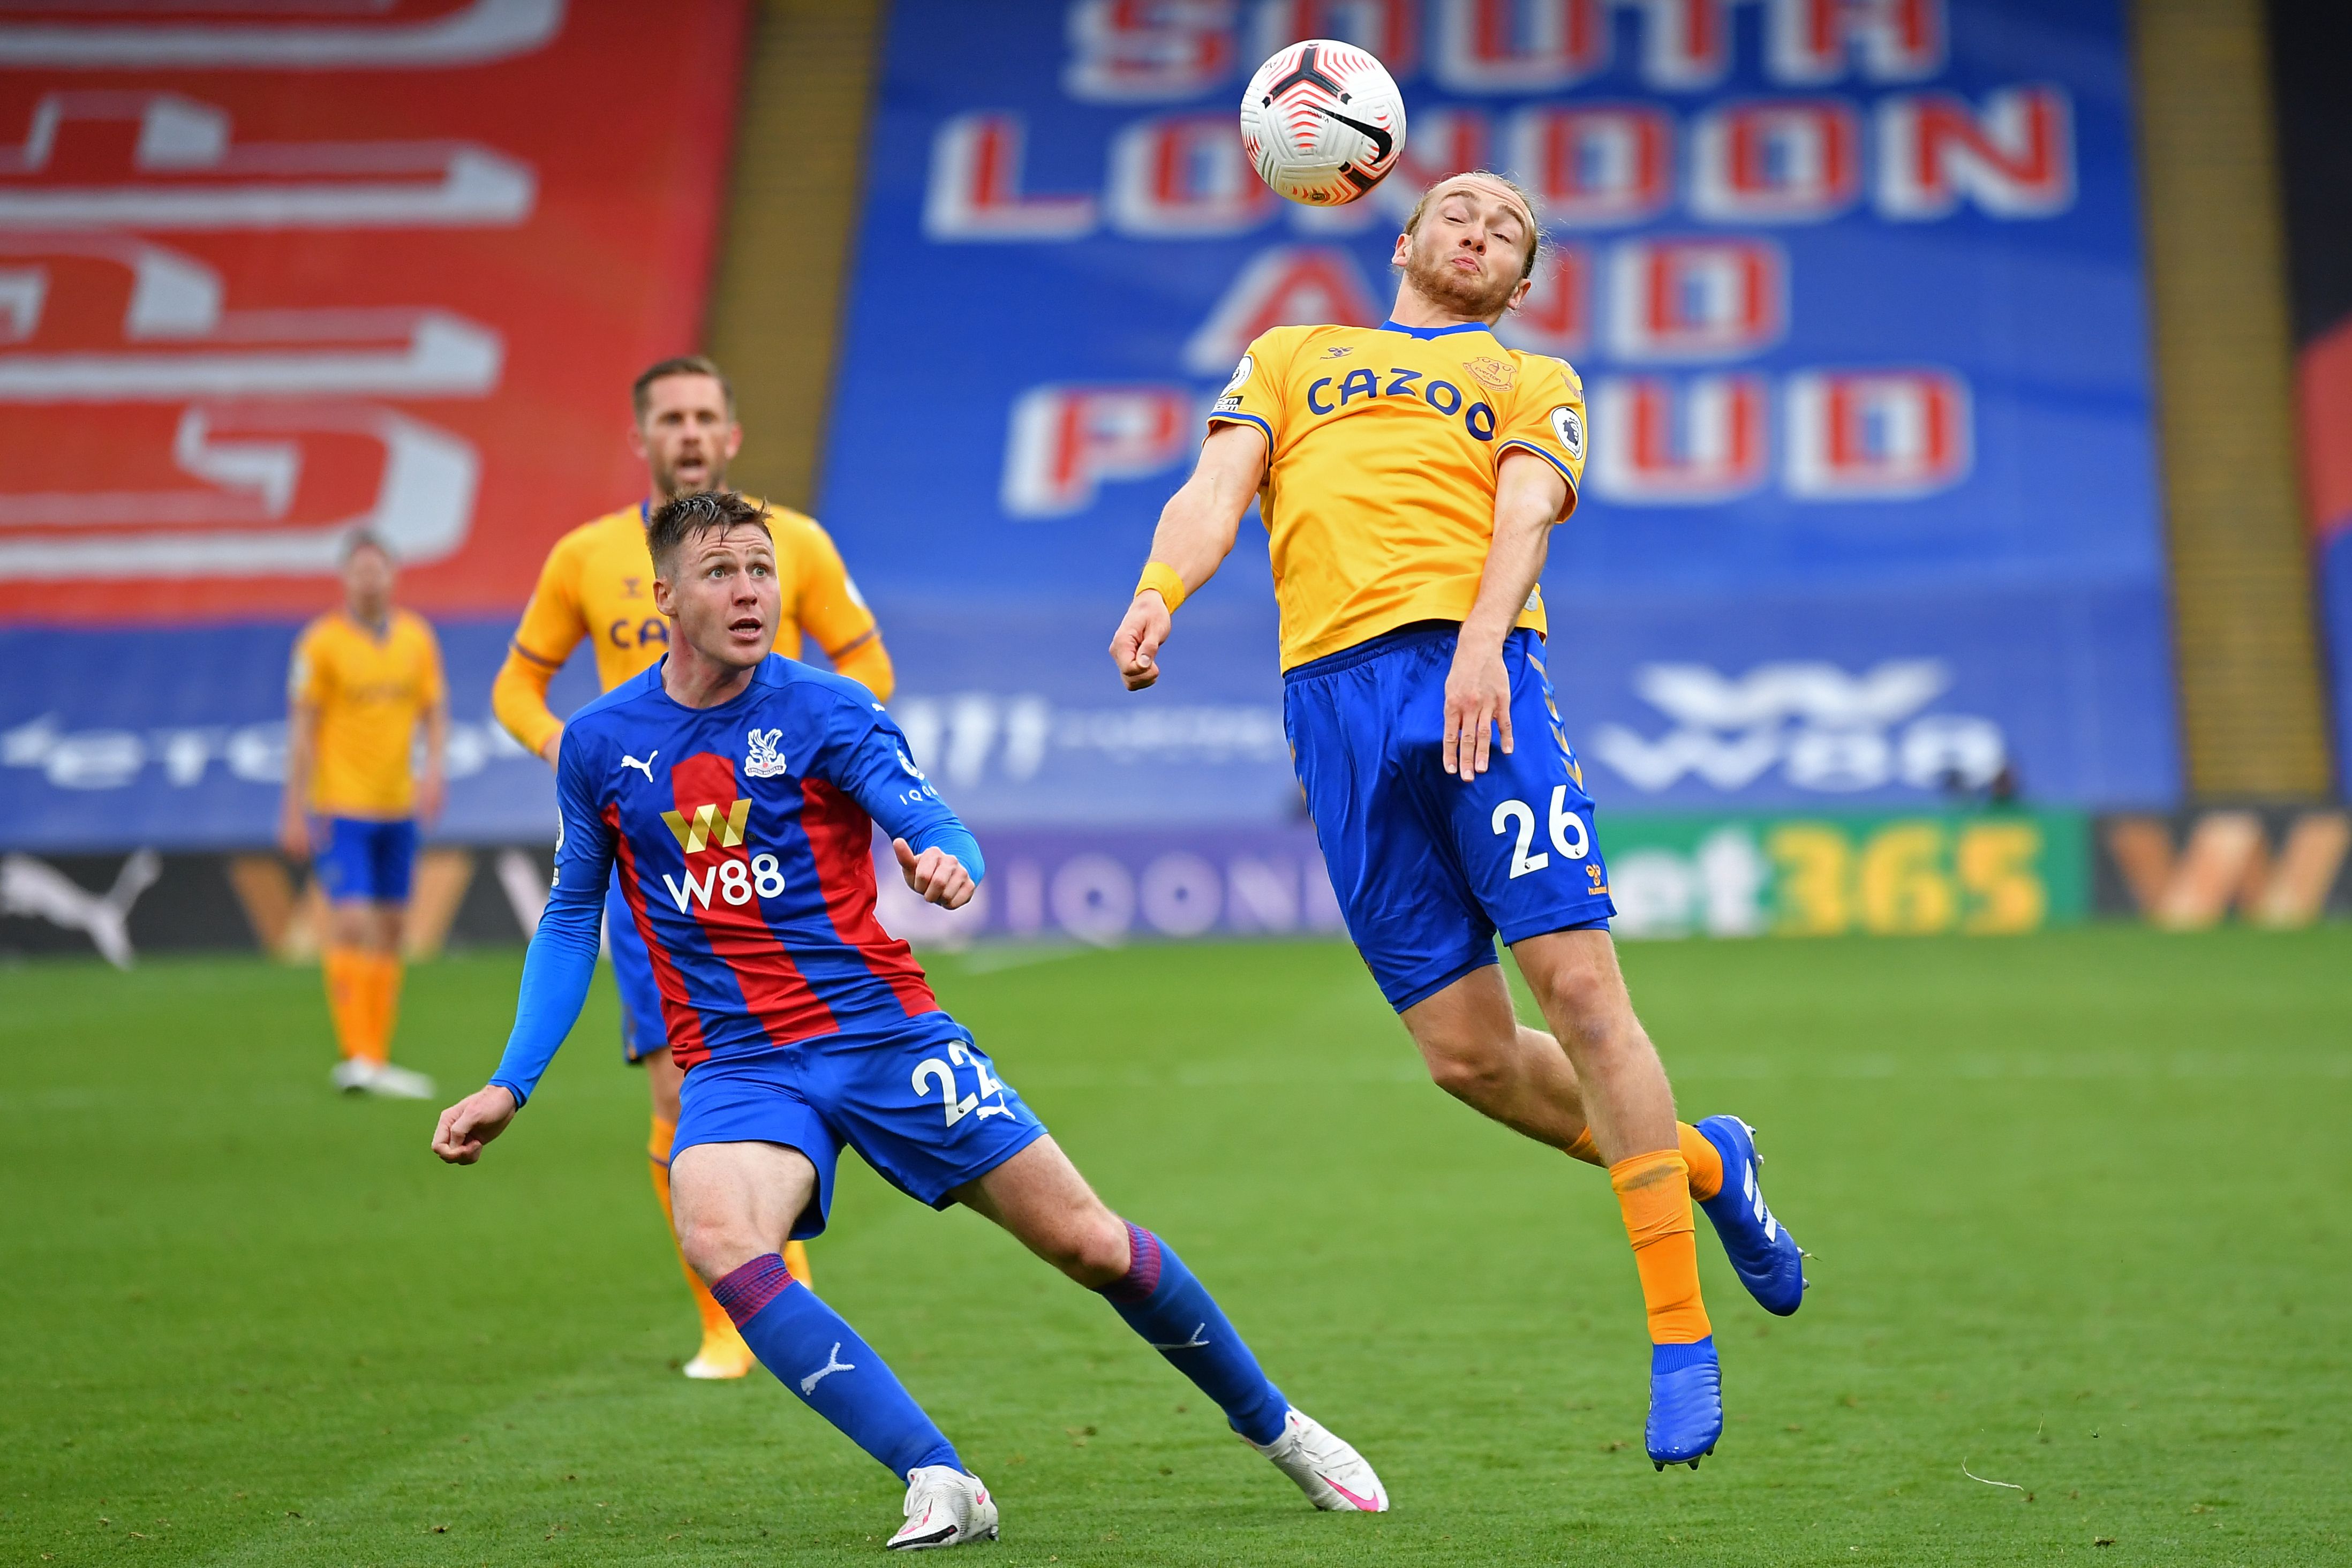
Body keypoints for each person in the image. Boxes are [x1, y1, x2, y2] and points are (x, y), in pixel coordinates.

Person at [436, 492, 1386, 1547]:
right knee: (715, 1234)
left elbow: (932, 821)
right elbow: (572, 918)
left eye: (761, 568)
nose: (750, 589)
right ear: (663, 597)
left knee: (1089, 1244)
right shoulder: (602, 744)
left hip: (883, 1036)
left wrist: (948, 865)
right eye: (720, 572)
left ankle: (1279, 1427)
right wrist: (509, 1082)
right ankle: (938, 1474)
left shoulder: (826, 710)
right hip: (741, 1063)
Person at [1107, 172, 1808, 1470]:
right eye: (1458, 211)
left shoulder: (1532, 378)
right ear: (1404, 237)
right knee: (1468, 1059)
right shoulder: (1292, 353)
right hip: (1330, 707)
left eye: (1508, 229)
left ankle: (1677, 1333)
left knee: (1585, 997)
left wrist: (1484, 641)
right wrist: (1163, 588)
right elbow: (1215, 485)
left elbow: (1526, 511)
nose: (1478, 226)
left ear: (1522, 283)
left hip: (1477, 678)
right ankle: (1707, 1167)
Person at [491, 355, 890, 1379]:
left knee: (813, 1063)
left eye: (705, 414)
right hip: (658, 868)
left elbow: (865, 660)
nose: (689, 431)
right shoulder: (585, 554)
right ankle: (734, 1318)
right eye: (669, 417)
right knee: (681, 1083)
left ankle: (775, 1288)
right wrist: (572, 756)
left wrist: (836, 765)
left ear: (733, 433)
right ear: (643, 438)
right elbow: (518, 685)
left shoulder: (792, 541)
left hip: (779, 867)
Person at [280, 531, 446, 1100]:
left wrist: (435, 773)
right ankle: (357, 1054)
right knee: (350, 921)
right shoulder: (320, 644)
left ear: (393, 575)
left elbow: (434, 710)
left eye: (379, 569)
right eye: (360, 570)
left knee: (395, 927)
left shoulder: (416, 638)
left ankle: (377, 1053)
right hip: (341, 805)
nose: (370, 579)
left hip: (397, 804)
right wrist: (294, 806)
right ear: (345, 577)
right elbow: (302, 728)